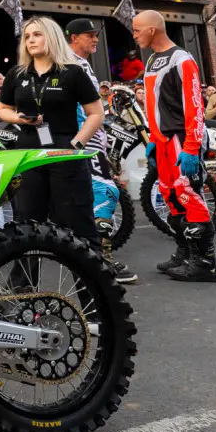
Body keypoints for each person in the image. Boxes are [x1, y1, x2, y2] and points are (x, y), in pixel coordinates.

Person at [0, 18, 103, 243]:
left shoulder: (72, 72)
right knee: (25, 222)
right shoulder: (17, 74)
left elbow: (96, 113)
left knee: (76, 220)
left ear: (52, 37)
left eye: (37, 35)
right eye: (27, 37)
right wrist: (18, 118)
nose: (31, 41)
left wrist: (77, 144)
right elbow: (2, 109)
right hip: (28, 154)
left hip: (65, 152)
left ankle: (89, 276)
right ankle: (22, 278)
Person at [130, 10, 216, 282]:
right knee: (171, 197)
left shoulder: (182, 59)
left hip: (181, 138)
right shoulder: (154, 59)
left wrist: (191, 147)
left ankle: (205, 264)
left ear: (152, 30)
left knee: (189, 195)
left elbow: (195, 105)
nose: (134, 36)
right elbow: (155, 106)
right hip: (164, 140)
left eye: (137, 30)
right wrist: (154, 139)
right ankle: (186, 253)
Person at [65, 17, 137, 284]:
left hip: (93, 141)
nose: (95, 39)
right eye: (90, 35)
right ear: (74, 37)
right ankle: (101, 263)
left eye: (95, 35)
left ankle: (96, 260)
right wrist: (79, 140)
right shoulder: (69, 64)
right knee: (104, 194)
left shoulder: (83, 64)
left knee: (94, 198)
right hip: (83, 143)